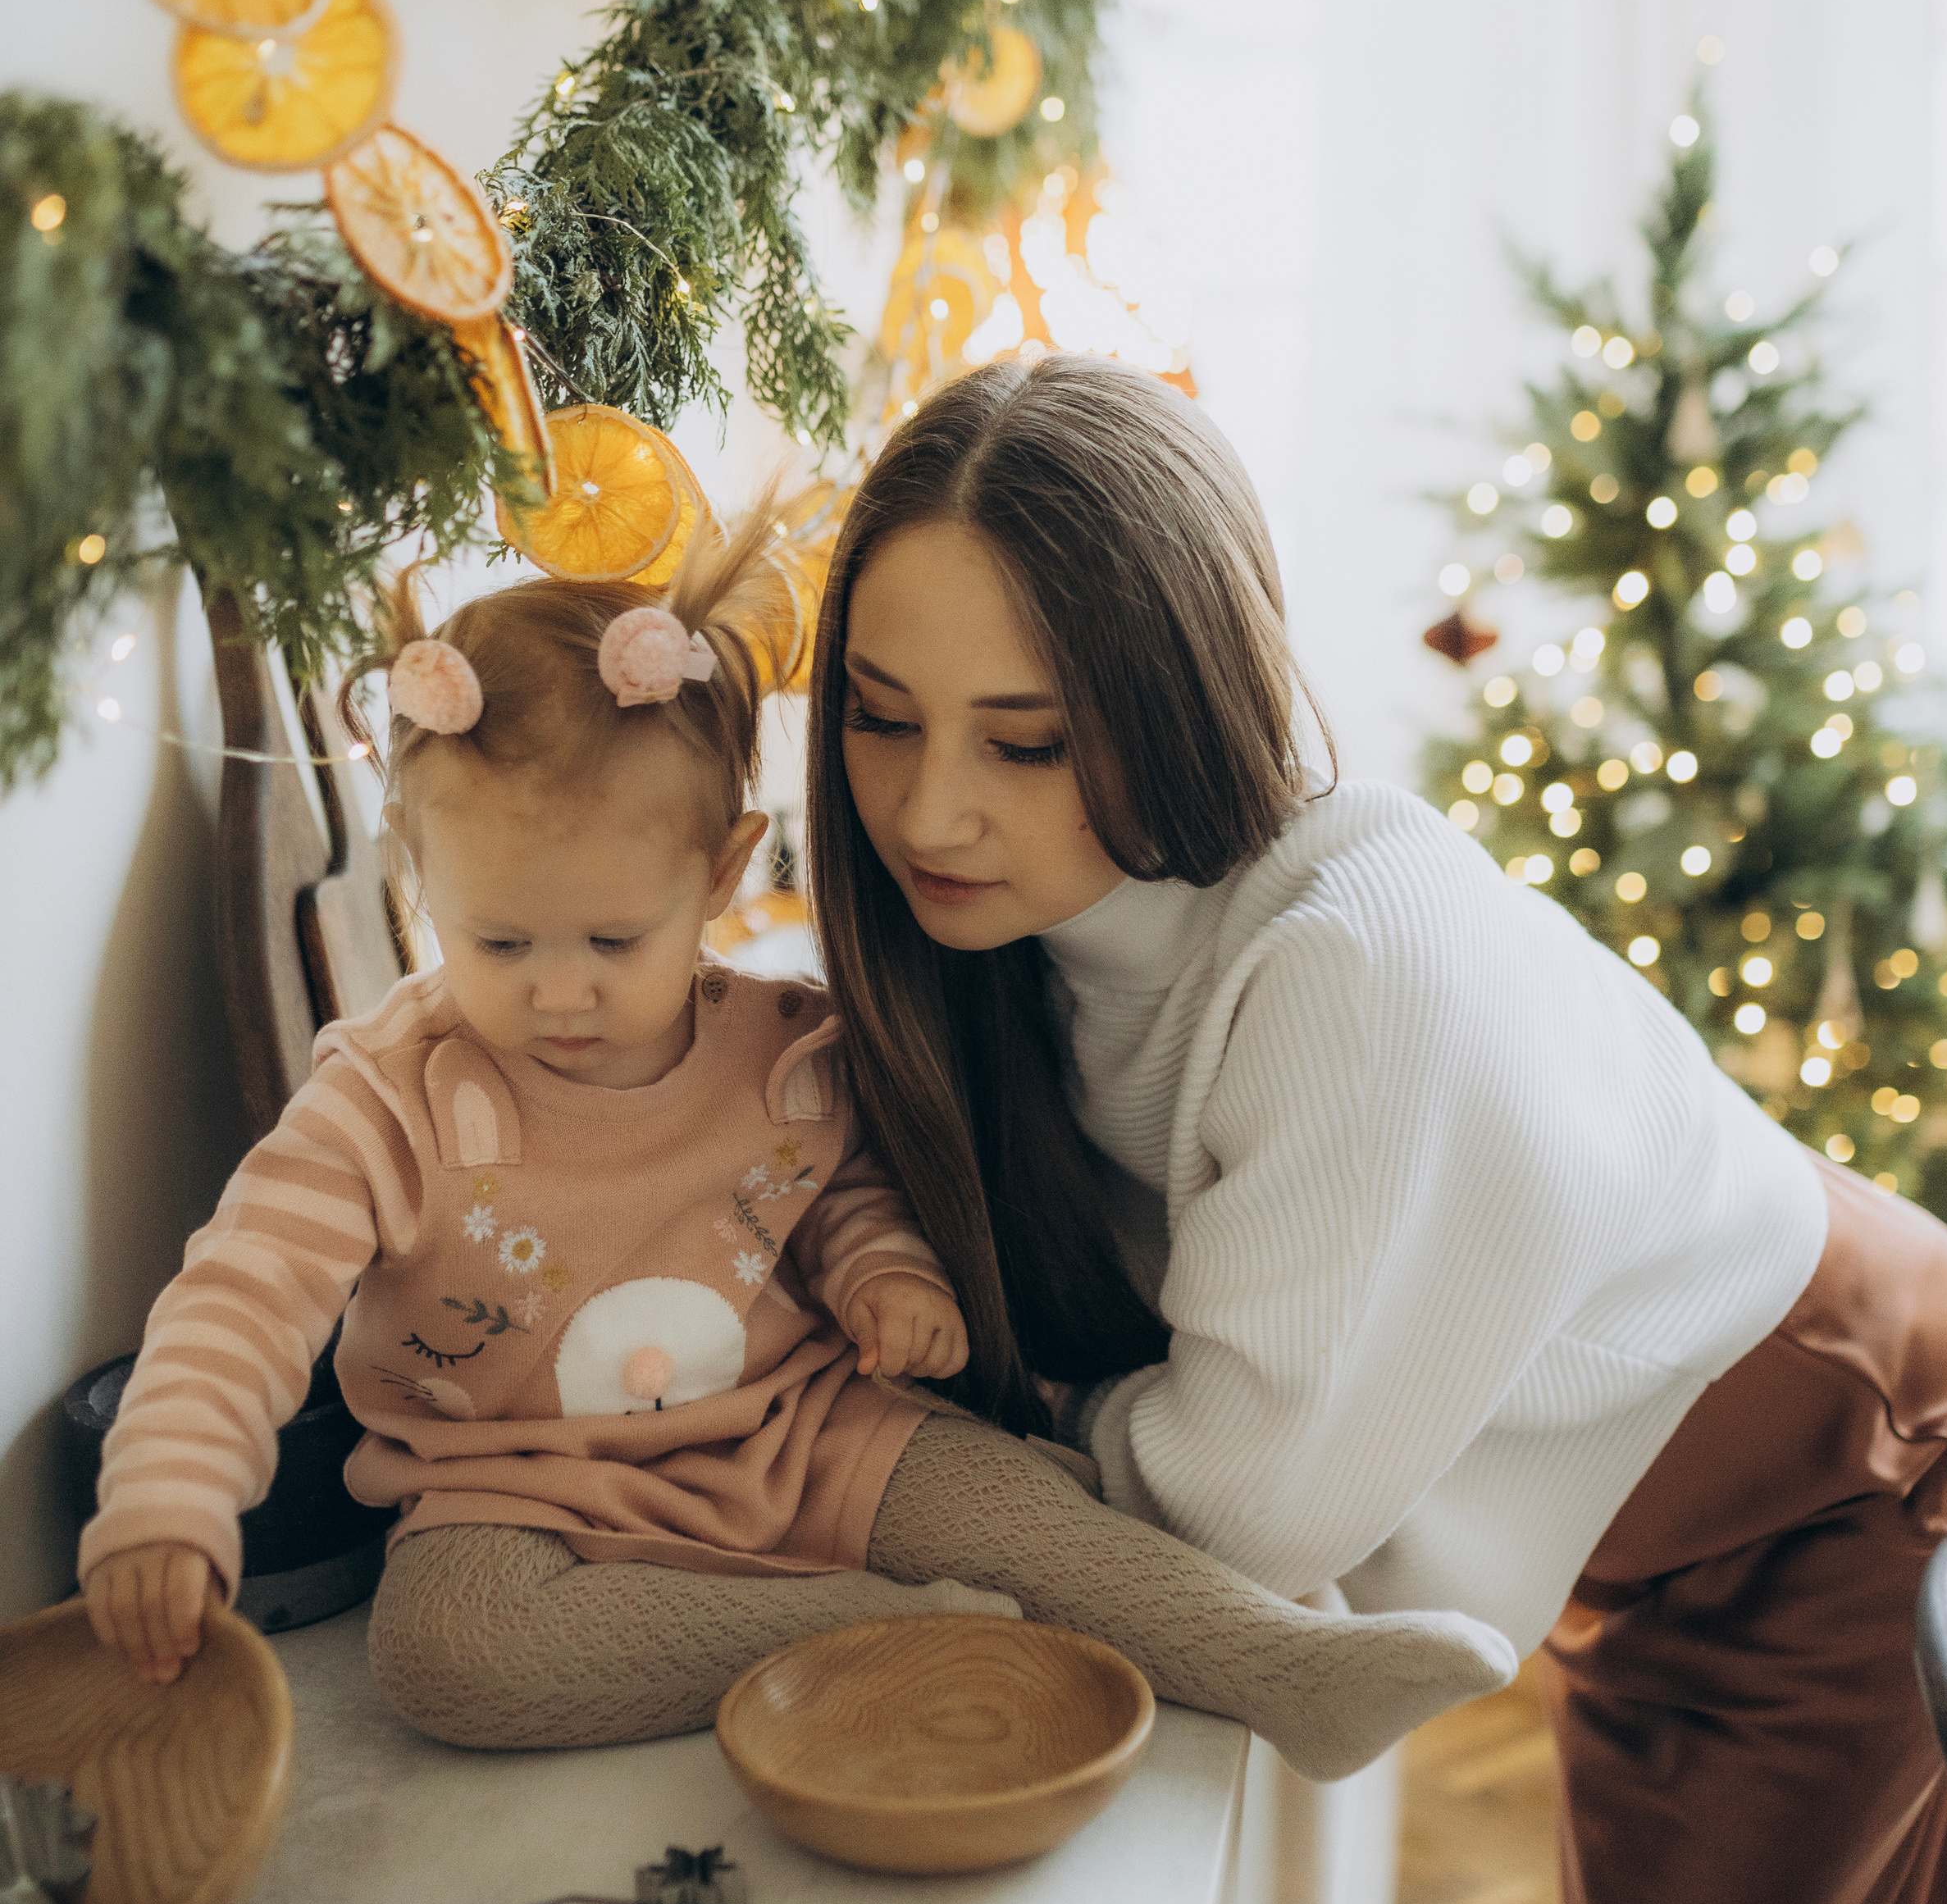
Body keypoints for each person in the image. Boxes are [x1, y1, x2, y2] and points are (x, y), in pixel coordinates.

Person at [800, 351, 1947, 1904]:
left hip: (1838, 1452)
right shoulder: (1016, 947)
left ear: (1175, 693)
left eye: (1025, 738)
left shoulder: (1354, 964)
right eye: (882, 717)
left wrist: (1017, 1424)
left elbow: (1244, 1495)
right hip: (1674, 1478)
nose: (930, 810)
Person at [80, 499, 1508, 1786]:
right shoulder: (388, 1094)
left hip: (806, 1430)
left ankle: (1289, 1669)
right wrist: (168, 1496)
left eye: (612, 940)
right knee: (444, 1660)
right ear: (418, 877)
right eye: (499, 940)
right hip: (515, 1485)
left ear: (718, 869)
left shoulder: (787, 1045)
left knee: (1023, 1498)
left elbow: (837, 1200)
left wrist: (887, 1276)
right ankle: (902, 1625)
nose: (559, 988)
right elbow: (240, 1297)